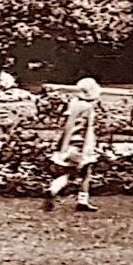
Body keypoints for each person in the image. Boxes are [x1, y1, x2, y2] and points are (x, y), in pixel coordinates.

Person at [46, 77, 103, 213]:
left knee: (70, 172)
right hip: (81, 143)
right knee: (84, 172)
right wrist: (84, 147)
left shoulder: (74, 103)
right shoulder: (88, 108)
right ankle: (81, 200)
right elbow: (84, 128)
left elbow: (68, 125)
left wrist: (63, 145)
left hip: (68, 142)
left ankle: (54, 188)